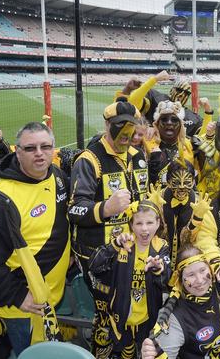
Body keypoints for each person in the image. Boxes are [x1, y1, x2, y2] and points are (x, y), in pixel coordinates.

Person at [0, 122, 70, 355]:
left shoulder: (56, 175)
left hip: (51, 299)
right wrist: (16, 296)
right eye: (30, 148)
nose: (39, 153)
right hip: (24, 310)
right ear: (17, 151)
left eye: (45, 146)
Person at [69, 99, 149, 353]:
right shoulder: (89, 159)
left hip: (133, 249)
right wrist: (105, 208)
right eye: (120, 126)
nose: (126, 133)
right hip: (99, 255)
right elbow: (74, 209)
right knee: (107, 317)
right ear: (106, 125)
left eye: (131, 127)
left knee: (131, 311)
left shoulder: (138, 156)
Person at [87, 190, 171, 358]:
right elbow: (93, 265)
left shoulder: (161, 246)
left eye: (149, 222)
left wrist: (157, 269)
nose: (145, 228)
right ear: (131, 225)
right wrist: (114, 246)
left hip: (148, 319)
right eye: (139, 223)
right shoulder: (123, 243)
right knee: (124, 352)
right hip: (121, 317)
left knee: (144, 352)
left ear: (158, 223)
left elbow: (167, 280)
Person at [140, 245, 220, 359]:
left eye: (203, 270)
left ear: (210, 268)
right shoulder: (174, 316)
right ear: (180, 279)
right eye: (191, 275)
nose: (199, 280)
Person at [147, 100, 197, 187]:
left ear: (181, 124)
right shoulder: (146, 141)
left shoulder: (189, 145)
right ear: (157, 124)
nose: (169, 123)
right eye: (164, 119)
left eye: (174, 120)